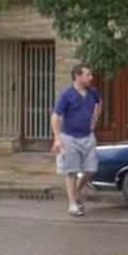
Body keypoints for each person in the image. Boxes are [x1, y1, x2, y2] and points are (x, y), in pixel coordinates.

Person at [51, 64, 102, 217]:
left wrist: (95, 119)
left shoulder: (92, 92)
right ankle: (73, 204)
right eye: (88, 75)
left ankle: (77, 190)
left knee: (91, 169)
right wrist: (57, 138)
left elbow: (99, 103)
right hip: (69, 137)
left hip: (87, 136)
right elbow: (55, 116)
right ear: (78, 76)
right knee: (71, 171)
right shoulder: (66, 94)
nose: (91, 78)